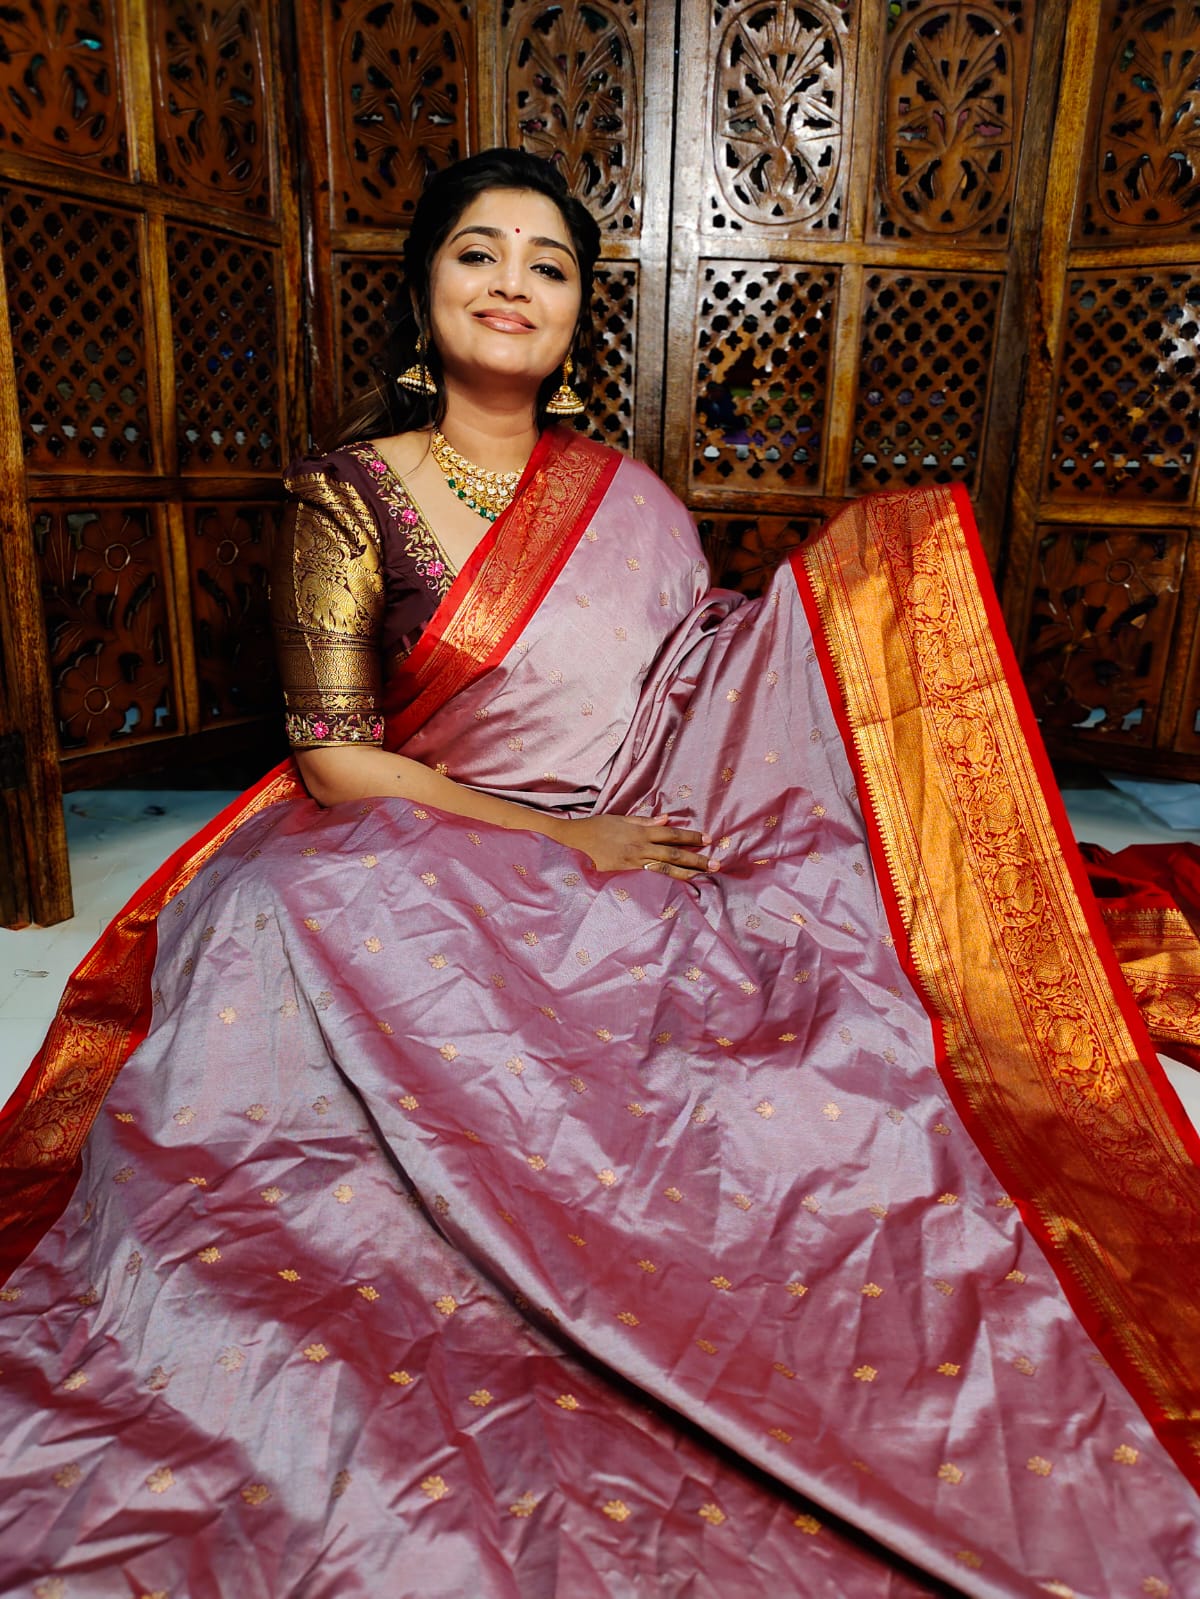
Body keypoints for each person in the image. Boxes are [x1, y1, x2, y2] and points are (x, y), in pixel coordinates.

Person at [0, 147, 1198, 1598]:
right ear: (424, 291)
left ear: (577, 316)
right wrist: (563, 841)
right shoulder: (352, 490)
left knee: (812, 979)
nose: (512, 285)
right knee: (287, 909)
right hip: (417, 825)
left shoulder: (626, 497)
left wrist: (846, 631)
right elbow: (332, 758)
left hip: (627, 813)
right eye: (479, 253)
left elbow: (694, 675)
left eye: (549, 265)